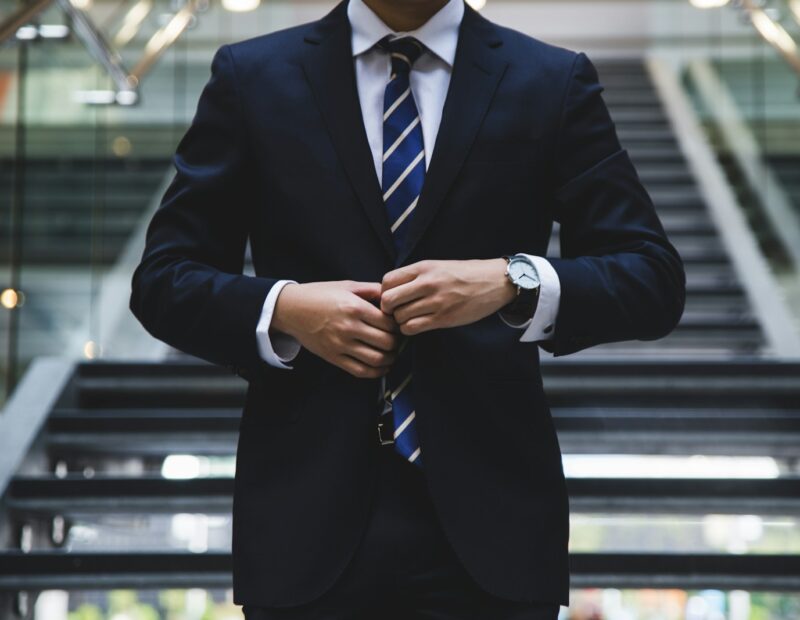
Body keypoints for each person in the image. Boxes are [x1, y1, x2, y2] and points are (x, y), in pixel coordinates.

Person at [129, 0, 686, 617]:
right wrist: (284, 307)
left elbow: (650, 277)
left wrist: (513, 280)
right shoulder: (252, 75)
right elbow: (163, 280)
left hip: (494, 528)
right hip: (303, 524)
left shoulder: (550, 79)